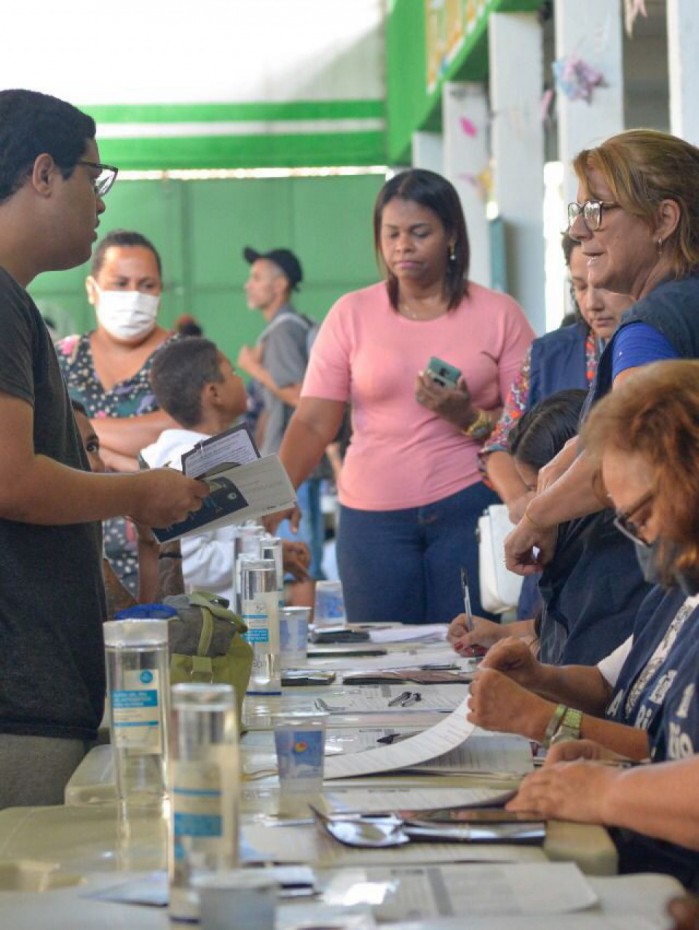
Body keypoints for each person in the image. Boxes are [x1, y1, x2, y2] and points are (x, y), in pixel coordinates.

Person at [0, 89, 208, 809]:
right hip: (18, 699)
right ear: (45, 173)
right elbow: (14, 482)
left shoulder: (15, 304)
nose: (101, 202)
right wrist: (137, 494)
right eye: (97, 175)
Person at [473, 360, 699, 886]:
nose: (642, 540)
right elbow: (657, 737)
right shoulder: (677, 588)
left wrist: (604, 789)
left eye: (642, 516)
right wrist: (627, 772)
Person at [276, 168, 534, 623]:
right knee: (380, 661)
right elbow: (315, 420)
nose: (402, 247)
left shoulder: (500, 315)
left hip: (471, 508)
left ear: (451, 233)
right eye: (391, 234)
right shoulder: (351, 314)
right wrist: (279, 488)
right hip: (373, 520)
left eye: (419, 233)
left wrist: (468, 415)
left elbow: (532, 426)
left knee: (468, 654)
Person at [504, 129, 699, 577]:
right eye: (577, 210)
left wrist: (538, 516)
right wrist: (570, 453)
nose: (578, 229)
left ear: (664, 220)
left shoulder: (649, 328)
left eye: (597, 210)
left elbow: (627, 449)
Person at [450, 389, 650, 665]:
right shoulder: (578, 551)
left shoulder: (607, 567)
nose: (528, 509)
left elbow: (582, 669)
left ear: (570, 478)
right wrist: (502, 634)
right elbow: (554, 626)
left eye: (535, 489)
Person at [142, 337, 310, 602]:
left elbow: (228, 537)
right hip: (214, 632)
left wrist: (273, 550)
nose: (240, 379)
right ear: (214, 393)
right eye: (231, 372)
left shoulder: (216, 455)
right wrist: (265, 555)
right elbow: (191, 560)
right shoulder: (187, 465)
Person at [56, 229, 178, 594]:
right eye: (120, 283)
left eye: (146, 285)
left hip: (164, 552)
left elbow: (181, 431)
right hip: (75, 555)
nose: (133, 296)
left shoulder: (184, 358)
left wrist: (82, 433)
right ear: (92, 288)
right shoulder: (61, 357)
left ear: (160, 291)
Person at [236, 246, 324, 595]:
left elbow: (302, 397)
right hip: (294, 465)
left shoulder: (283, 331)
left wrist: (256, 369)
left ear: (280, 285)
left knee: (296, 563)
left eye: (257, 278)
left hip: (293, 464)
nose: (248, 285)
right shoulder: (286, 328)